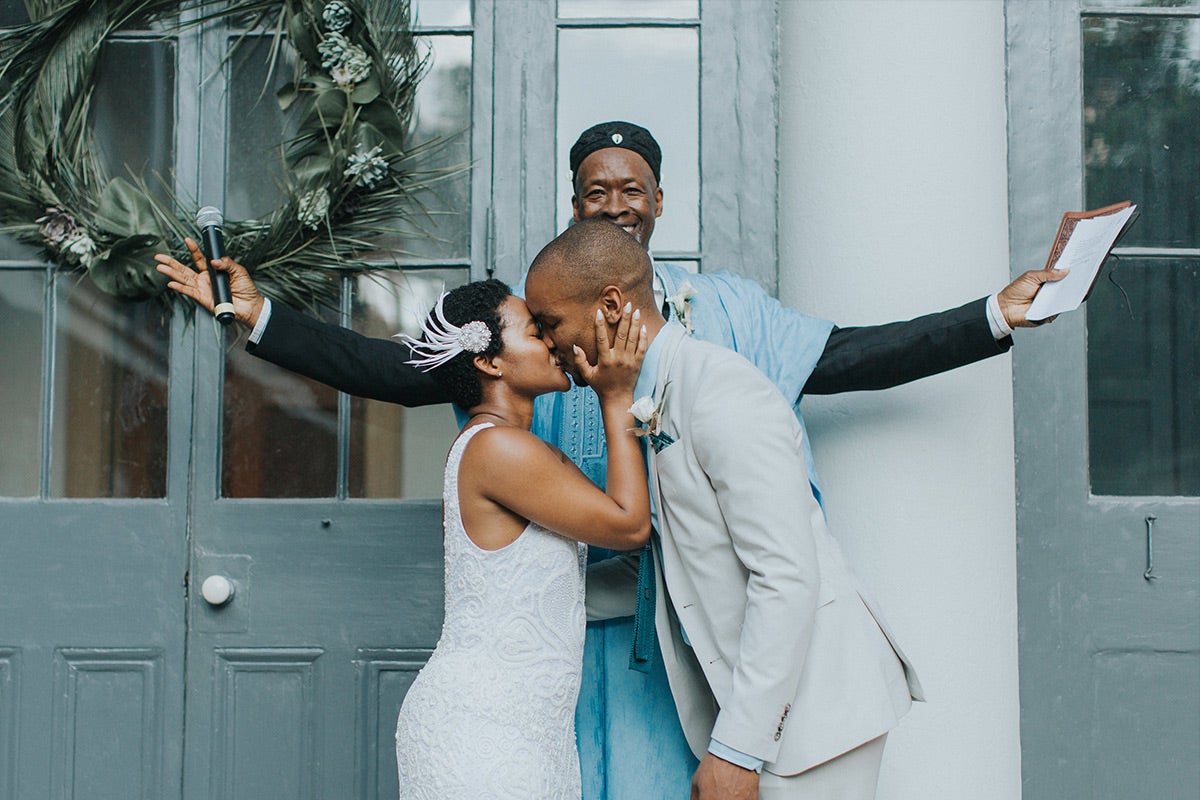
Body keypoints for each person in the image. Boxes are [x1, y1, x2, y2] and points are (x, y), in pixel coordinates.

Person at [154, 121, 1064, 798]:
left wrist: (991, 315)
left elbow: (849, 357)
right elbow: (394, 367)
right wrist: (258, 317)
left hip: (691, 634)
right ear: (576, 205)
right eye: (597, 190)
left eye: (634, 188)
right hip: (567, 641)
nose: (618, 202)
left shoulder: (730, 321)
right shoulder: (534, 322)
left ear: (660, 202)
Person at [527, 218, 917, 800]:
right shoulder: (647, 398)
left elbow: (786, 575)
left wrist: (737, 750)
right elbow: (667, 559)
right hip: (769, 713)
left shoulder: (720, 392)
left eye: (550, 322)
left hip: (816, 716)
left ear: (609, 305)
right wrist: (527, 596)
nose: (547, 342)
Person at [390, 278, 650, 799]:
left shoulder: (505, 447)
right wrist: (618, 394)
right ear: (489, 362)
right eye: (536, 331)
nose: (554, 341)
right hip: (483, 735)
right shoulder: (498, 450)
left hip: (525, 734)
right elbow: (629, 525)